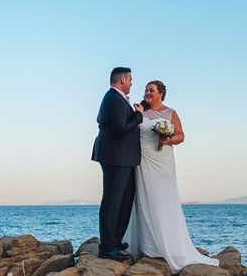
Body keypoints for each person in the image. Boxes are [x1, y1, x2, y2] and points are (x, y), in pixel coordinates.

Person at [125, 80, 219, 273]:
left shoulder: (171, 112)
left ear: (161, 94)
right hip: (142, 160)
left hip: (163, 161)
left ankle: (169, 244)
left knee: (164, 199)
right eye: (146, 90)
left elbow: (181, 136)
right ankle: (149, 246)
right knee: (144, 199)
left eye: (151, 90)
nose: (147, 92)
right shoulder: (139, 110)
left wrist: (168, 139)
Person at [92, 67, 145, 260]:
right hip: (115, 157)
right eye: (130, 79)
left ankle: (115, 240)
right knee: (113, 201)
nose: (131, 83)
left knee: (124, 200)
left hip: (124, 157)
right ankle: (107, 247)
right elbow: (120, 129)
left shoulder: (117, 99)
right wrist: (138, 117)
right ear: (122, 79)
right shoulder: (113, 98)